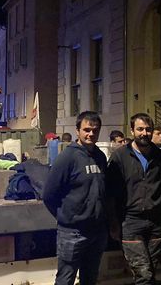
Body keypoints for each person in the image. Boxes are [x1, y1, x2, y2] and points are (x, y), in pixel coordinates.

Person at [106, 113, 161, 285]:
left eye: (148, 129)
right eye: (140, 129)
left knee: (151, 270)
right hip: (131, 222)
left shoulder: (160, 156)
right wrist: (114, 222)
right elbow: (110, 192)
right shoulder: (120, 156)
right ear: (132, 130)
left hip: (155, 222)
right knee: (144, 274)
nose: (144, 133)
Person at [42, 111, 108, 285]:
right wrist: (65, 216)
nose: (91, 134)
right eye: (86, 129)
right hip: (73, 233)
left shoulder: (100, 157)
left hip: (96, 231)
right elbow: (48, 195)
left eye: (95, 130)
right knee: (66, 279)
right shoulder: (67, 157)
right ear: (77, 130)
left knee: (90, 278)